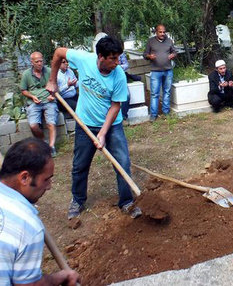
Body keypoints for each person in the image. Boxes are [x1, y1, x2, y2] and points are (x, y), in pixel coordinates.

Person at [46, 36, 141, 220]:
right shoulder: (84, 59)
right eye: (113, 58)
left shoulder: (119, 75)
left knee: (122, 163)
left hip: (111, 126)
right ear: (100, 56)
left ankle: (127, 202)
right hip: (85, 123)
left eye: (118, 57)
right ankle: (78, 200)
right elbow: (58, 52)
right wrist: (52, 81)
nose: (117, 62)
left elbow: (115, 106)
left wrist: (103, 133)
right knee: (79, 165)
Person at [0, 137, 80, 285]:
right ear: (24, 177)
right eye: (46, 179)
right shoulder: (27, 226)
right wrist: (60, 277)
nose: (49, 186)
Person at [20, 52, 59, 157]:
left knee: (51, 123)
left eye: (41, 61)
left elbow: (56, 86)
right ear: (32, 62)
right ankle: (44, 144)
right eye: (37, 61)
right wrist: (32, 97)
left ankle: (51, 147)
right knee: (33, 126)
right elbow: (23, 90)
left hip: (49, 101)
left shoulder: (49, 71)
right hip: (34, 102)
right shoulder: (26, 74)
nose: (40, 63)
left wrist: (53, 95)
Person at [143, 24, 177, 121]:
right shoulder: (151, 41)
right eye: (160, 32)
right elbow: (145, 54)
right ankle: (153, 114)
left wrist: (173, 55)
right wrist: (150, 56)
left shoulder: (169, 41)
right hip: (155, 71)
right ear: (156, 32)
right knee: (154, 93)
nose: (162, 34)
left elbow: (175, 52)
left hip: (168, 71)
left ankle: (166, 112)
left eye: (164, 32)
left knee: (167, 92)